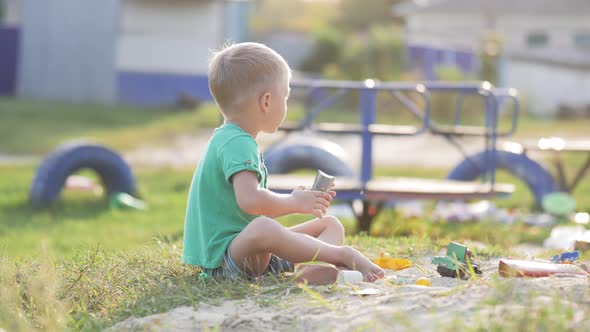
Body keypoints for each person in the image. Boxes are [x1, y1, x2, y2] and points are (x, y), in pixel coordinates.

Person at [182, 42, 384, 284]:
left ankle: (307, 273)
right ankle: (342, 255)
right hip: (224, 262)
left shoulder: (231, 138)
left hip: (252, 255)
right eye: (286, 96)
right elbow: (249, 201)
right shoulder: (237, 142)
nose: (287, 104)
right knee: (264, 228)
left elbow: (244, 211)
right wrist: (292, 202)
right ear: (266, 101)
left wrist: (296, 200)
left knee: (330, 225)